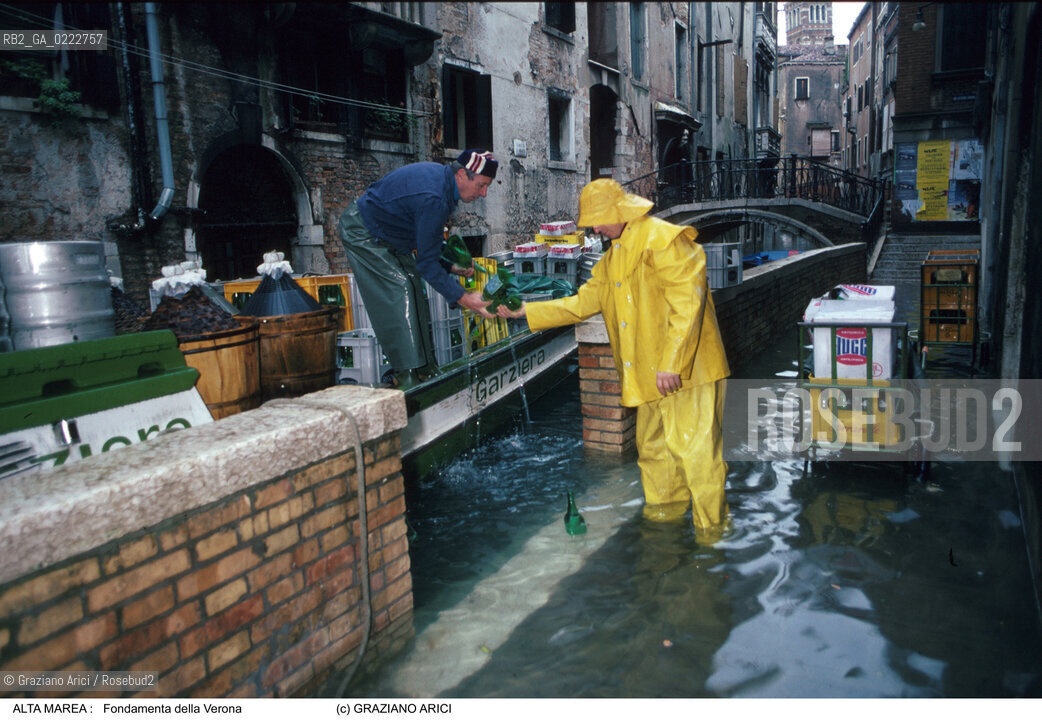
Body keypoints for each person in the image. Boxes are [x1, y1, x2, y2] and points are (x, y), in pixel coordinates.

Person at [497, 179, 731, 538]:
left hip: (686, 371)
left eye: (597, 219)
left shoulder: (665, 240)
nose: (593, 228)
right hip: (652, 374)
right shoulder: (614, 257)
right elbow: (581, 304)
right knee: (653, 449)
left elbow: (689, 303)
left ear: (618, 213)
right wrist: (525, 312)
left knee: (697, 453)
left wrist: (672, 363)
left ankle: (712, 534)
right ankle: (664, 524)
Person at [338, 150, 498, 388]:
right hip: (362, 231)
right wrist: (464, 298)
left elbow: (428, 247)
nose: (483, 194)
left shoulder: (443, 187)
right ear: (463, 175)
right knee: (399, 288)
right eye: (482, 186)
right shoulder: (434, 197)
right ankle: (407, 374)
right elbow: (426, 263)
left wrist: (452, 265)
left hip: (393, 237)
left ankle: (425, 367)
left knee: (413, 283)